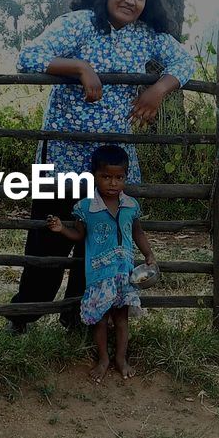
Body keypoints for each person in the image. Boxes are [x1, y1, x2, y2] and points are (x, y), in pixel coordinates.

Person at [8, 0, 194, 331]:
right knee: (49, 240)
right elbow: (28, 57)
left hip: (111, 164)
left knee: (99, 243)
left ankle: (77, 318)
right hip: (62, 156)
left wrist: (158, 89)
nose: (131, 0)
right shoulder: (79, 25)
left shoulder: (146, 36)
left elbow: (184, 61)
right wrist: (79, 67)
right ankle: (22, 318)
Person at [47, 145, 154, 382]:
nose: (113, 183)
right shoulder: (86, 208)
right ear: (94, 176)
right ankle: (104, 358)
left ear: (126, 176)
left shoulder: (130, 206)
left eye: (119, 177)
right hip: (98, 275)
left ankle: (121, 359)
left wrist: (148, 254)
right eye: (106, 177)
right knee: (101, 320)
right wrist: (62, 229)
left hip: (124, 275)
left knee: (122, 320)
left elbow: (138, 233)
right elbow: (79, 236)